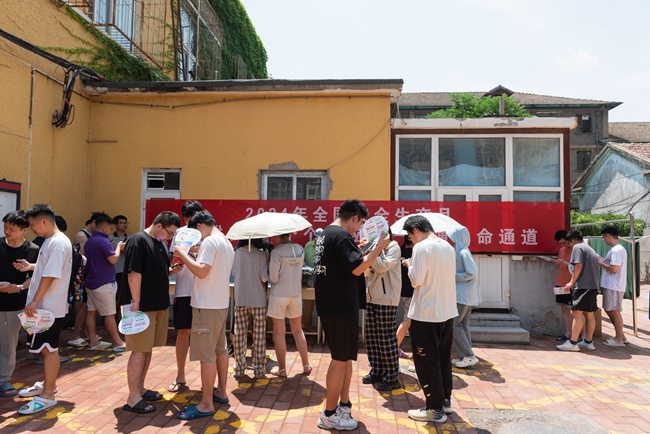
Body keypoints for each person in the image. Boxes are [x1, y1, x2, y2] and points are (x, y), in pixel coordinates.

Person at [314, 199, 388, 431]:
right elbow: (358, 268)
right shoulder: (342, 236)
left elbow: (345, 264)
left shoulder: (326, 234)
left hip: (333, 304)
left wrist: (364, 250)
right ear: (354, 217)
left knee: (345, 357)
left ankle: (343, 405)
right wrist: (379, 247)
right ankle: (329, 414)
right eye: (360, 223)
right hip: (340, 306)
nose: (359, 228)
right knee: (339, 359)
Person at [173, 210, 234, 420]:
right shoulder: (225, 241)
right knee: (220, 349)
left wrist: (182, 253)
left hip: (205, 305)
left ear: (199, 226)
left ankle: (206, 403)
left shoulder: (209, 242)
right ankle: (221, 392)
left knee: (206, 354)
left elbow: (201, 271)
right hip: (220, 304)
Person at [119, 211, 181, 414]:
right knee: (139, 349)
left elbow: (156, 272)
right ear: (159, 225)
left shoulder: (159, 243)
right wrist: (136, 302)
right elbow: (134, 274)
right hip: (141, 307)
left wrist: (172, 271)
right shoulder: (138, 241)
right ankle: (133, 397)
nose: (170, 238)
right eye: (170, 233)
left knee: (147, 349)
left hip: (157, 305)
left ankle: (140, 388)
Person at [16, 205, 72, 415]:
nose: (31, 229)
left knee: (49, 349)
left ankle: (48, 394)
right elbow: (48, 268)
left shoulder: (57, 243)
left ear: (44, 221)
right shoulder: (53, 241)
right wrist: (31, 267)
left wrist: (34, 301)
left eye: (32, 225)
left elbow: (51, 275)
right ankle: (49, 384)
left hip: (47, 308)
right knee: (46, 348)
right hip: (46, 307)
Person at [403, 215, 457, 424]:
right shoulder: (447, 246)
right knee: (443, 358)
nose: (411, 240)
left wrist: (409, 265)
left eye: (410, 236)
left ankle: (434, 409)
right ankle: (444, 401)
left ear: (416, 229)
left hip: (426, 313)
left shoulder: (421, 247)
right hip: (446, 311)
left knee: (427, 362)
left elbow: (416, 280)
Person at [0, 211, 39, 398]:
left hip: (15, 303)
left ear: (24, 230)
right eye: (5, 227)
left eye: (12, 229)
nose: (7, 231)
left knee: (8, 343)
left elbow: (37, 275)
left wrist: (20, 287)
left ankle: (3, 380)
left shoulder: (32, 250)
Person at [168, 200, 203, 393]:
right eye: (187, 218)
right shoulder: (180, 233)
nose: (190, 222)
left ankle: (208, 379)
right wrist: (177, 262)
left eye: (193, 218)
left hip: (204, 292)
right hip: (183, 291)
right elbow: (173, 257)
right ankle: (180, 375)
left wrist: (198, 251)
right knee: (183, 332)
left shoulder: (207, 234)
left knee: (205, 334)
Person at [267, 233, 311, 377]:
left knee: (279, 332)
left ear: (278, 237)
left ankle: (282, 369)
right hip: (295, 294)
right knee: (298, 331)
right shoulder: (300, 249)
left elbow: (273, 278)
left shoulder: (276, 252)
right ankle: (306, 365)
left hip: (279, 295)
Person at [363, 229, 401, 391]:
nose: (374, 237)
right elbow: (366, 269)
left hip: (386, 298)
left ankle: (392, 377)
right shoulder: (374, 248)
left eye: (377, 234)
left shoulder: (394, 247)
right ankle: (377, 371)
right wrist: (365, 251)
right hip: (372, 297)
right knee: (372, 337)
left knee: (386, 338)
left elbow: (382, 266)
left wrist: (373, 252)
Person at [83, 213, 126, 351]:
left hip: (91, 282)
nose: (110, 231)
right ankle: (117, 342)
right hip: (103, 282)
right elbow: (113, 259)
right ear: (104, 227)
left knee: (91, 312)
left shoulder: (89, 241)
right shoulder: (103, 241)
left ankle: (93, 341)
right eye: (109, 228)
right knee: (109, 314)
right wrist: (118, 247)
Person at [231, 238, 269, 379]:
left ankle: (239, 368)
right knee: (259, 336)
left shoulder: (237, 253)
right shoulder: (260, 254)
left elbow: (234, 273)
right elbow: (264, 278)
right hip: (258, 299)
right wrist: (267, 260)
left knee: (239, 335)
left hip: (241, 298)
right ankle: (259, 369)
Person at [557, 230, 600, 352]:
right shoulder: (590, 249)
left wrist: (571, 282)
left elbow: (578, 265)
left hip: (583, 285)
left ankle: (573, 342)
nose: (568, 246)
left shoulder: (578, 248)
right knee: (589, 313)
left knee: (576, 313)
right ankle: (588, 341)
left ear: (573, 240)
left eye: (569, 243)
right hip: (592, 286)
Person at [447, 226, 481, 369]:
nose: (450, 241)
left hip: (462, 296)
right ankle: (466, 356)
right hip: (464, 295)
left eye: (452, 239)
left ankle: (468, 355)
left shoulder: (463, 252)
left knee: (454, 325)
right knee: (463, 325)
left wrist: (453, 276)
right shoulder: (460, 251)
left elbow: (472, 273)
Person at [599, 226, 628, 346]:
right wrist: (603, 261)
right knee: (609, 309)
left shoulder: (616, 250)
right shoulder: (616, 249)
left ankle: (619, 339)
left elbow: (614, 268)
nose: (604, 240)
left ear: (608, 236)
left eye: (604, 237)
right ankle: (621, 336)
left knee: (614, 311)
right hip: (611, 285)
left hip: (614, 285)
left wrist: (601, 264)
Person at [550, 230, 576, 342]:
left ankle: (580, 335)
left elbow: (577, 268)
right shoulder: (561, 250)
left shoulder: (576, 250)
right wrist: (557, 263)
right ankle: (568, 333)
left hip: (572, 283)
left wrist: (564, 263)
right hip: (560, 282)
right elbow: (560, 267)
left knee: (577, 311)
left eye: (563, 242)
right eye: (560, 243)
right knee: (564, 308)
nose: (563, 245)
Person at [396, 236, 414, 359]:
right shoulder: (413, 253)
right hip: (411, 292)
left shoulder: (402, 250)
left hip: (403, 291)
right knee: (407, 320)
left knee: (410, 321)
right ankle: (394, 347)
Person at [302, 228, 323, 332]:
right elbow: (304, 260)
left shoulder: (326, 246)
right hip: (309, 279)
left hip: (322, 279)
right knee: (308, 306)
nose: (316, 241)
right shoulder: (308, 245)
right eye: (316, 239)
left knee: (323, 307)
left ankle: (323, 331)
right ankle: (306, 328)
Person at [109, 214, 129, 315]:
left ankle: (121, 316)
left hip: (126, 270)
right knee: (114, 294)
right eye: (121, 223)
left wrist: (126, 251)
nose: (124, 225)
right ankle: (113, 315)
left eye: (125, 223)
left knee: (124, 293)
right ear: (115, 225)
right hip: (113, 270)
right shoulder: (110, 238)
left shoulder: (130, 238)